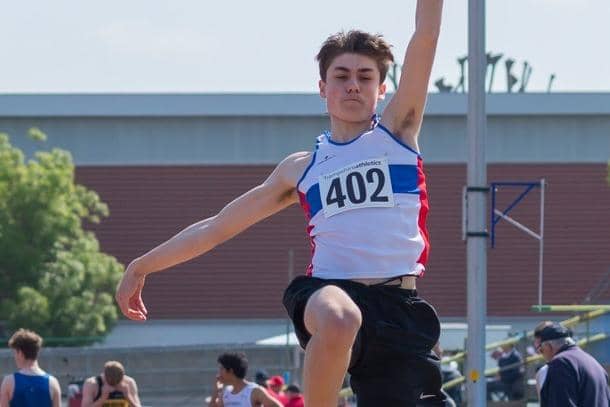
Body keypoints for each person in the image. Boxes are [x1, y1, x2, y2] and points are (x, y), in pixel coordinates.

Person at [116, 1, 446, 405]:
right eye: (341, 76)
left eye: (365, 77)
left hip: (398, 311)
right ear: (323, 88)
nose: (353, 86)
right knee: (342, 318)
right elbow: (217, 227)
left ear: (382, 89)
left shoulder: (398, 131)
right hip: (329, 293)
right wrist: (142, 265)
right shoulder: (301, 170)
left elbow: (425, 36)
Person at [533, 321, 610, 407]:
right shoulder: (593, 362)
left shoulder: (560, 364)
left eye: (541, 350)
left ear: (549, 346)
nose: (541, 355)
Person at [0, 329, 61, 407]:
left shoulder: (9, 382)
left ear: (20, 353)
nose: (14, 357)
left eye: (15, 353)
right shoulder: (53, 383)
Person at [208, 352, 282, 407]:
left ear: (230, 371)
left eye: (221, 369)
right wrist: (216, 391)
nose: (219, 373)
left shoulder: (254, 391)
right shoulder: (226, 392)